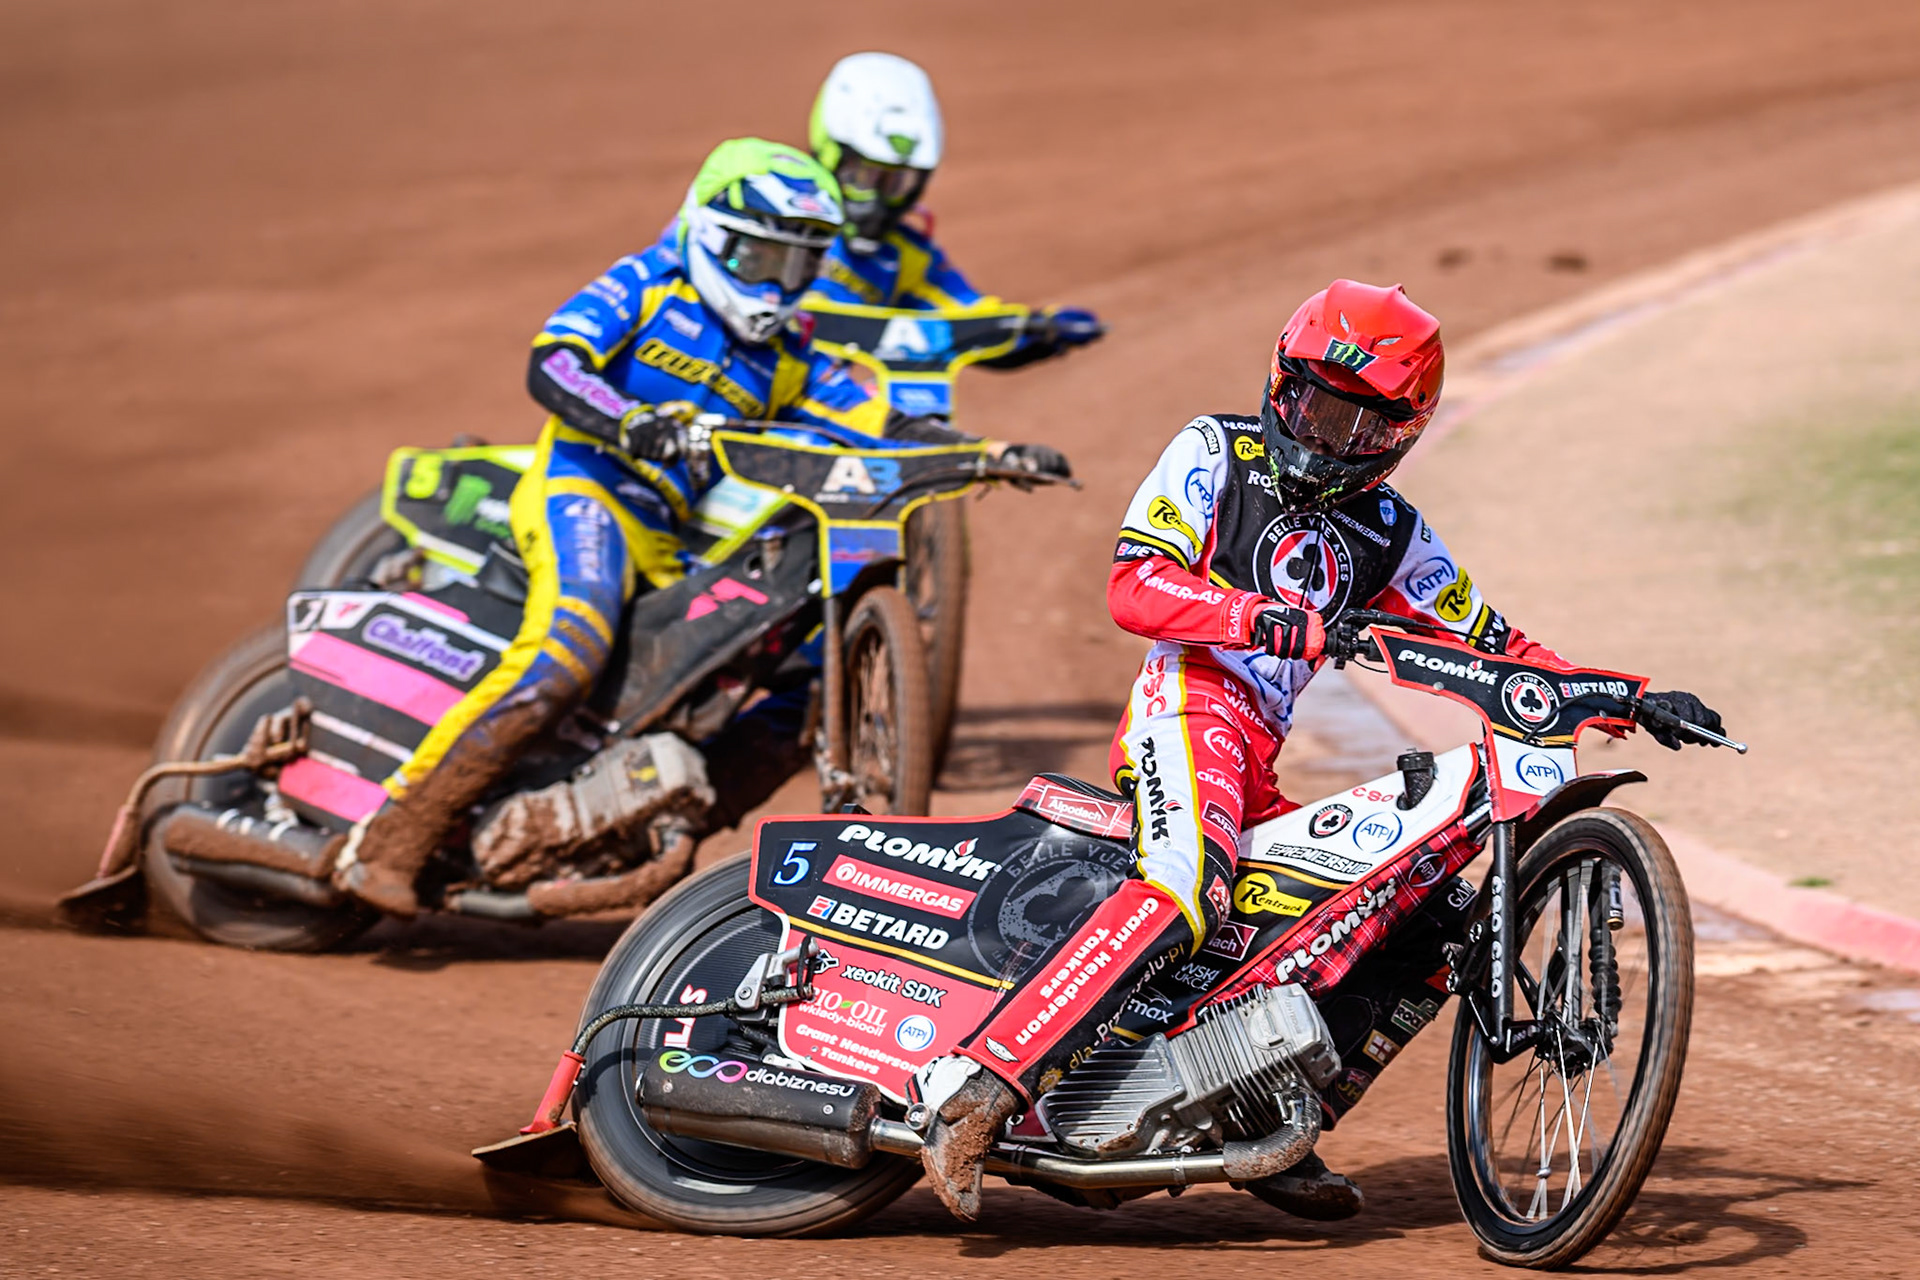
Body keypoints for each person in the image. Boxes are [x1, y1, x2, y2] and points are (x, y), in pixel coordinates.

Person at [913, 279, 1724, 1221]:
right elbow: (1135, 588)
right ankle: (980, 1091)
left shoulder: (1392, 532)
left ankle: (1277, 1125)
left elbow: (1494, 643)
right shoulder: (1215, 450)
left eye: (1362, 427)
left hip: (1258, 756)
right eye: (1314, 406)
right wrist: (1271, 620)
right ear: (1279, 381)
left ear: (1402, 434)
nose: (1329, 440)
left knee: (1427, 920)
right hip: (1188, 704)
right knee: (1186, 884)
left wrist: (1625, 692)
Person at [332, 138, 1067, 917]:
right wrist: (630, 422)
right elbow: (554, 360)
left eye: (798, 266)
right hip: (586, 491)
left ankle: (621, 821)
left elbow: (877, 418)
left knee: (787, 700)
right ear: (714, 234)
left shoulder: (791, 348)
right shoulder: (648, 282)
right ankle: (388, 838)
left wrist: (988, 454)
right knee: (569, 649)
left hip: (673, 536)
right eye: (762, 258)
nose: (780, 284)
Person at [804, 51, 1104, 367]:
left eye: (896, 185)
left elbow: (967, 319)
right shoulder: (769, 215)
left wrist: (1041, 329)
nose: (877, 201)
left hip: (811, 409)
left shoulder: (902, 259)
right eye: (863, 177)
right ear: (829, 154)